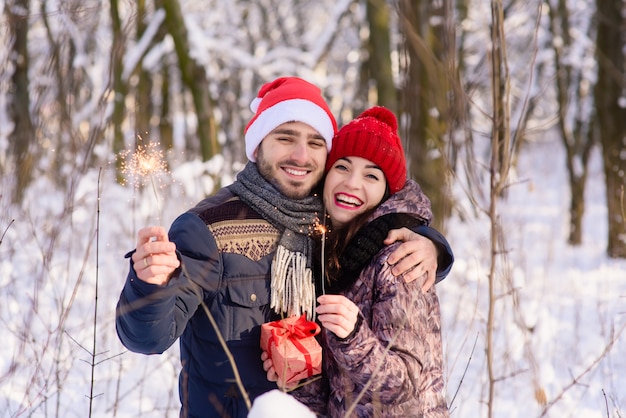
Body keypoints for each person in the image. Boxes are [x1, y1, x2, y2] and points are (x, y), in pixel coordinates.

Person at [115, 77, 451, 418]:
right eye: (285, 138)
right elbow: (147, 339)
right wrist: (149, 284)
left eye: (316, 143)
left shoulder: (330, 225)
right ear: (258, 145)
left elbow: (385, 214)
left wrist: (431, 244)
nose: (301, 155)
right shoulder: (209, 227)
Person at [262, 107, 451, 417]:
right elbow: (335, 385)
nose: (351, 183)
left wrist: (353, 337)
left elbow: (407, 387)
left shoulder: (401, 259)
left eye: (371, 175)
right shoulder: (318, 249)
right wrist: (296, 372)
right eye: (342, 167)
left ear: (386, 192)